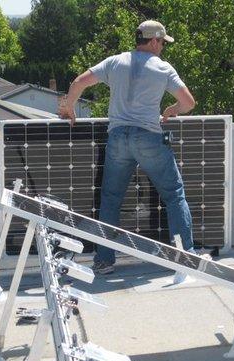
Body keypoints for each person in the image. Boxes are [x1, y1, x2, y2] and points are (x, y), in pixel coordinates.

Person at [59, 20, 196, 274]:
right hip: (149, 137)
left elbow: (79, 82)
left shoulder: (114, 62)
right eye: (163, 43)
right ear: (154, 41)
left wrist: (69, 109)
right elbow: (188, 102)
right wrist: (172, 110)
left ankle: (103, 261)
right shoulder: (163, 68)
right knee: (174, 194)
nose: (163, 48)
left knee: (110, 198)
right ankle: (185, 258)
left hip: (118, 138)